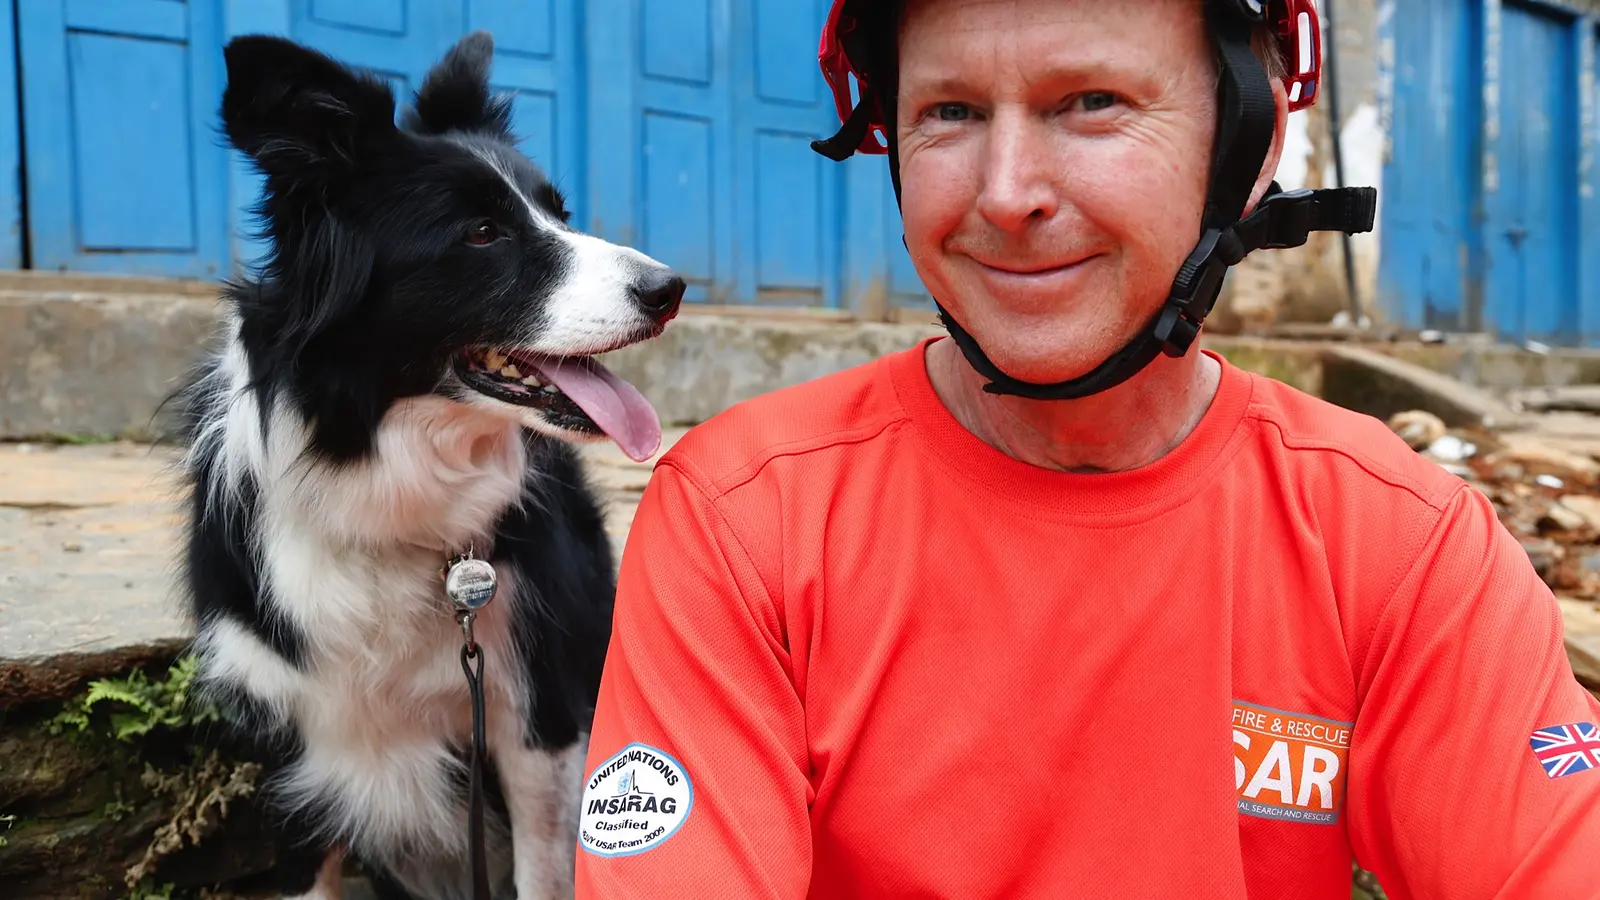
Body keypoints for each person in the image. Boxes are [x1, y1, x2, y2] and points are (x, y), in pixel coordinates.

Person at [572, 0, 1600, 897]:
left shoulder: (1394, 542)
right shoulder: (748, 519)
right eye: (951, 113)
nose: (1006, 192)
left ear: (1250, 138)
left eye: (1089, 102)